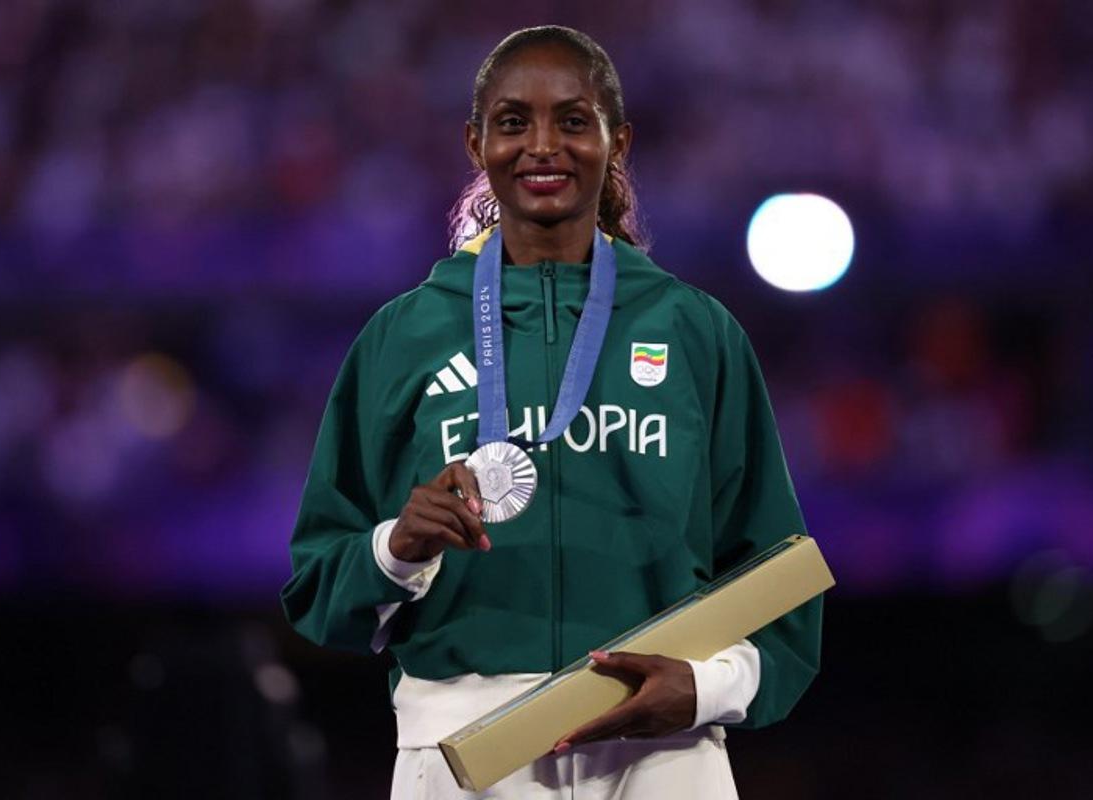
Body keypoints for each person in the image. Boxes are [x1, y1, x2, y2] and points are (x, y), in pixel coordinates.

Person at [280, 25, 822, 799]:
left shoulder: (695, 331)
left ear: (617, 141)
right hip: (465, 753)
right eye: (513, 122)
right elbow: (317, 589)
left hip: (664, 750)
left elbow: (778, 571)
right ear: (476, 143)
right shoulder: (403, 336)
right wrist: (396, 549)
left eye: (572, 120)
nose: (542, 146)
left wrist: (706, 688)